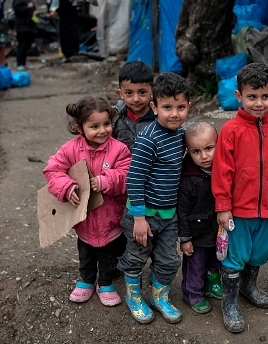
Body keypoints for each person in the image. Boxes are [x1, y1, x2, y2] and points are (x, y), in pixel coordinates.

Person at [211, 62, 268, 333]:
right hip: (239, 211)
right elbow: (222, 172)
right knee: (234, 256)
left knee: (259, 254)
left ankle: (249, 286)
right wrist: (223, 207)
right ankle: (230, 301)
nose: (259, 103)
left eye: (265, 96)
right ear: (239, 96)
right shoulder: (231, 131)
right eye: (251, 97)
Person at [117, 72, 191, 324]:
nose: (174, 114)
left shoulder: (182, 136)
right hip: (144, 215)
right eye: (167, 107)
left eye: (180, 107)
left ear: (188, 107)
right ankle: (134, 297)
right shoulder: (148, 138)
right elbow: (135, 179)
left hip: (168, 215)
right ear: (154, 107)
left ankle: (160, 296)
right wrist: (138, 217)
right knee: (137, 257)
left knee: (170, 260)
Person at [43, 96, 131, 306]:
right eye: (94, 126)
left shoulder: (119, 150)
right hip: (84, 219)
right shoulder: (70, 150)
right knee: (86, 253)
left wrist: (105, 181)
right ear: (80, 128)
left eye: (107, 124)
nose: (103, 131)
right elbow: (53, 170)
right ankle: (87, 280)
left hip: (112, 218)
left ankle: (106, 282)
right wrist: (67, 187)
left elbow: (128, 176)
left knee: (109, 254)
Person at [177, 122, 223, 314]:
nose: (204, 156)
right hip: (196, 233)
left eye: (209, 149)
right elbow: (182, 211)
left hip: (217, 229)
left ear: (218, 144)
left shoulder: (223, 170)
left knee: (215, 261)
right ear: (188, 151)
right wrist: (185, 238)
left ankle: (211, 284)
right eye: (196, 151)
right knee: (195, 265)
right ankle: (192, 293)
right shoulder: (187, 178)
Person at [112, 61, 156, 152]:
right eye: (129, 93)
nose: (136, 99)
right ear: (121, 94)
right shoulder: (116, 117)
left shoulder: (159, 118)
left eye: (142, 92)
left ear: (152, 92)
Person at [12, 0, 37, 71]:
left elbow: (33, 8)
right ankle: (20, 64)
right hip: (22, 27)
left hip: (29, 26)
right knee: (22, 45)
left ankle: (24, 63)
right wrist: (28, 7)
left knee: (27, 46)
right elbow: (18, 10)